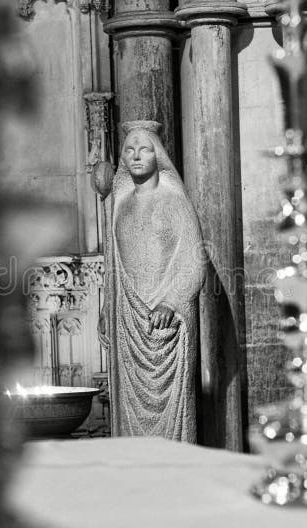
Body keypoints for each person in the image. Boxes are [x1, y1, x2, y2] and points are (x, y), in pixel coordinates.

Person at [98, 121, 205, 442]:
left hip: (166, 324)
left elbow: (195, 259)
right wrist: (107, 306)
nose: (135, 156)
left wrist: (172, 302)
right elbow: (113, 261)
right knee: (128, 415)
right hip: (128, 321)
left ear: (158, 154)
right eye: (129, 150)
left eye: (144, 149)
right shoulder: (121, 205)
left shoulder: (173, 202)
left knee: (172, 412)